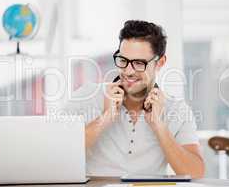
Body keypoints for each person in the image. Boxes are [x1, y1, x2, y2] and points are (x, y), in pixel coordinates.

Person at [65, 20, 205, 178]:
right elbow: (60, 154)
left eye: (139, 63)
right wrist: (105, 118)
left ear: (160, 63)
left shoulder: (177, 109)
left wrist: (159, 126)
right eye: (123, 60)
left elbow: (196, 172)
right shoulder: (87, 95)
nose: (128, 71)